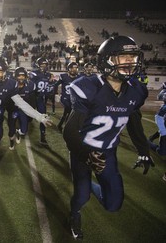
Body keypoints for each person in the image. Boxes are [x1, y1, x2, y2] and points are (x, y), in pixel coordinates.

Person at [63, 35, 154, 240]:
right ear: (108, 60)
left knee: (113, 204)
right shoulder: (89, 87)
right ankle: (74, 214)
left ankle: (94, 188)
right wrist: (88, 155)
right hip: (82, 149)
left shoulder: (135, 92)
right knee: (81, 195)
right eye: (124, 57)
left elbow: (133, 120)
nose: (130, 62)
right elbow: (69, 131)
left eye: (133, 57)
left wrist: (143, 151)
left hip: (108, 152)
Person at [7, 66, 36, 150]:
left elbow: (32, 100)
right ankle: (12, 142)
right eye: (19, 75)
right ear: (15, 76)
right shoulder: (11, 85)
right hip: (13, 110)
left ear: (26, 76)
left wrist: (31, 112)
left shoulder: (30, 85)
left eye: (23, 75)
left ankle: (18, 132)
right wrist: (9, 109)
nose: (21, 77)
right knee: (11, 129)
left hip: (23, 110)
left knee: (24, 130)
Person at [30, 58, 54, 146]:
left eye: (45, 64)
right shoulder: (34, 73)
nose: (44, 66)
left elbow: (50, 86)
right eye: (42, 64)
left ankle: (43, 136)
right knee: (28, 116)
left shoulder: (48, 75)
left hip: (41, 98)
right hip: (32, 97)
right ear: (38, 65)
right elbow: (30, 84)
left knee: (43, 117)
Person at [54, 61, 81, 133]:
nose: (74, 70)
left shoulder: (79, 77)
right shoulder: (64, 76)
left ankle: (60, 125)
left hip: (74, 98)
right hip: (65, 98)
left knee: (67, 113)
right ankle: (67, 127)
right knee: (69, 110)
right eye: (72, 68)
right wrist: (56, 93)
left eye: (75, 68)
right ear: (69, 69)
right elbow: (56, 84)